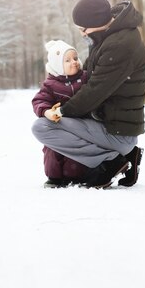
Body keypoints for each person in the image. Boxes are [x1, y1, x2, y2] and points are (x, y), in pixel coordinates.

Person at [31, 0, 145, 188]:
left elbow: (94, 91)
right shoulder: (108, 37)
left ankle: (110, 161)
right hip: (111, 126)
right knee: (47, 123)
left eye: (83, 29)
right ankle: (123, 156)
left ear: (96, 22)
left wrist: (60, 112)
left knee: (42, 127)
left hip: (116, 132)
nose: (83, 34)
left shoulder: (119, 45)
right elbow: (88, 77)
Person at [32, 40, 89, 188]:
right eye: (68, 60)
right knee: (53, 149)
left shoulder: (85, 78)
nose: (74, 62)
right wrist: (47, 112)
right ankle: (54, 177)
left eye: (75, 58)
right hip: (58, 123)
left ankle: (75, 176)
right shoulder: (50, 84)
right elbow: (39, 100)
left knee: (75, 149)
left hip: (79, 125)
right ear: (57, 65)